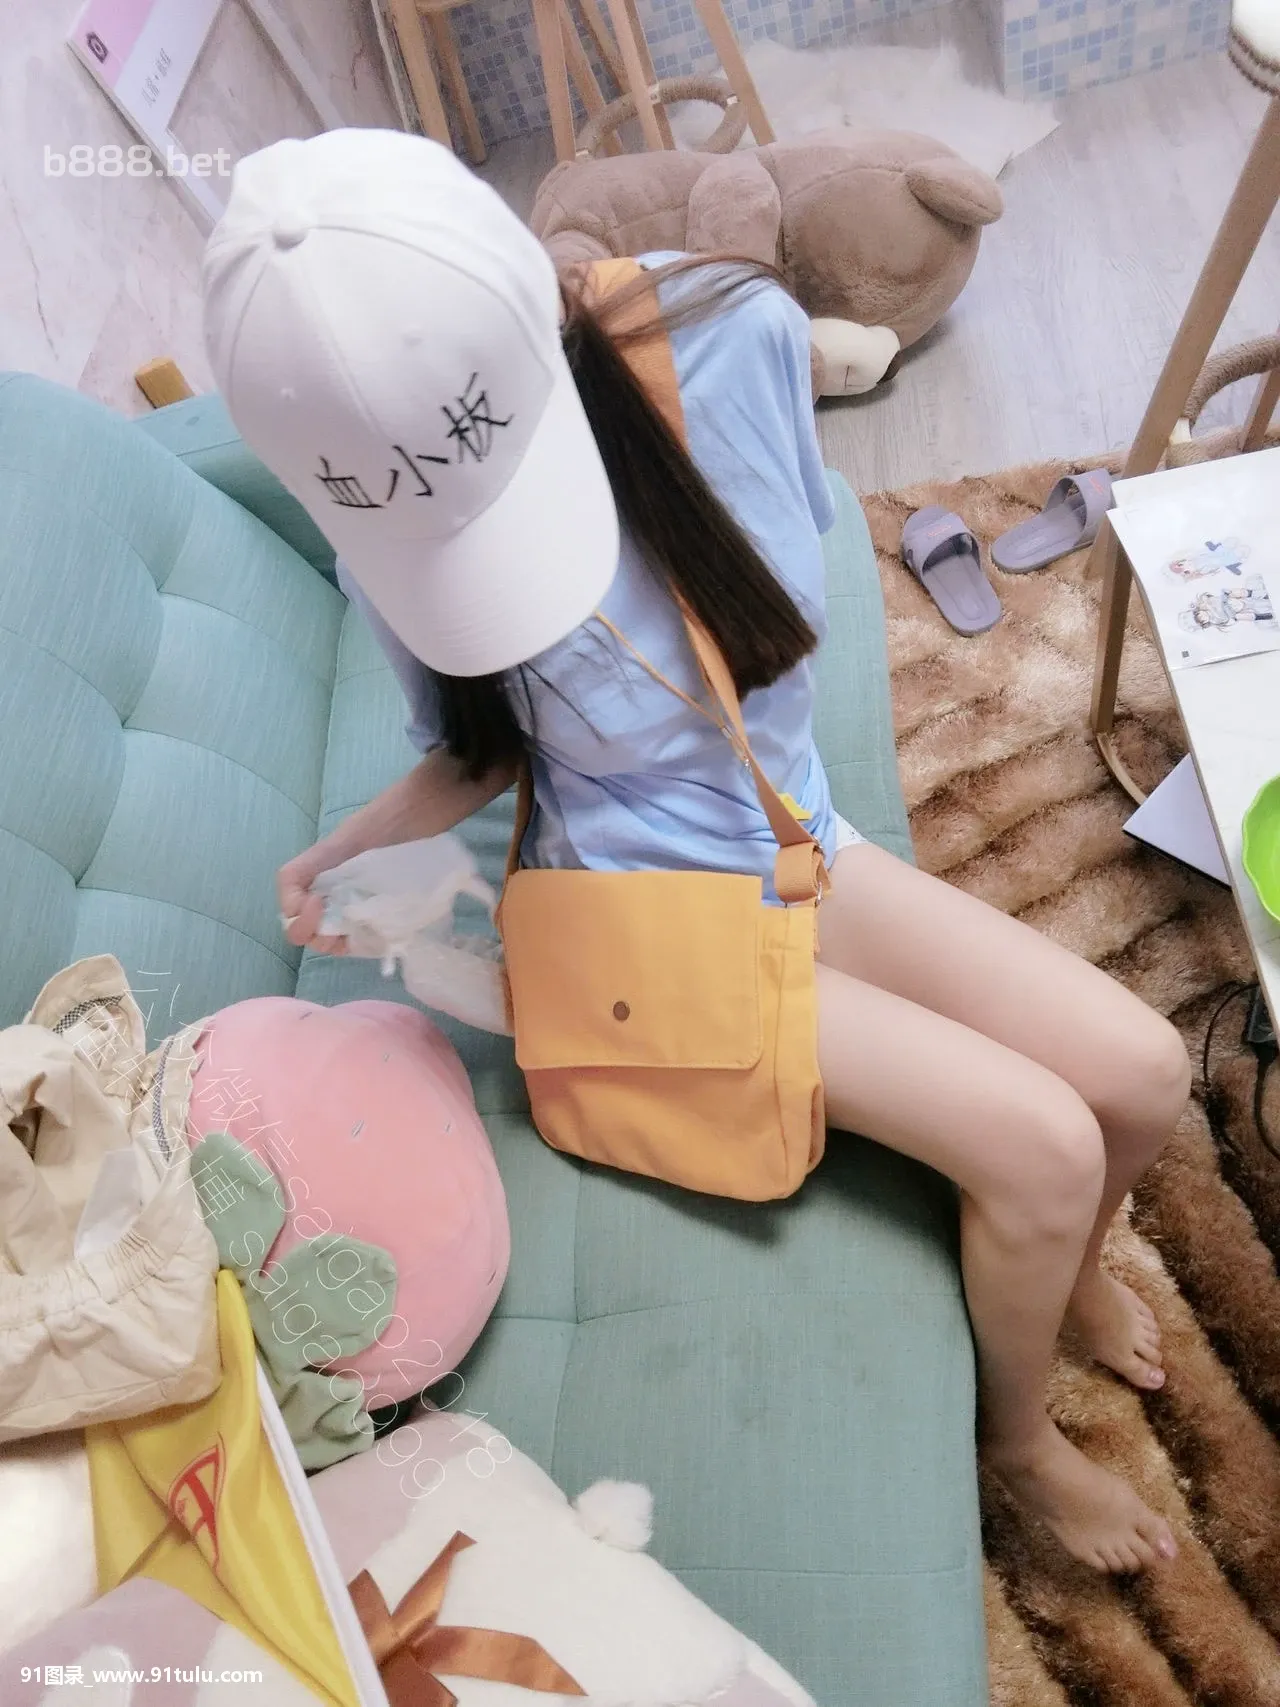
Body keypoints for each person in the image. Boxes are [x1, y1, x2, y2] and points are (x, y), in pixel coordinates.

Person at [204, 129, 1189, 1576]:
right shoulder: (387, 539)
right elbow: (483, 749)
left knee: (1145, 1076)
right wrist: (340, 851)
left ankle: (1073, 1274)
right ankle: (1020, 1441)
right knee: (1042, 1147)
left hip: (789, 834)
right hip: (642, 924)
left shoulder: (734, 343)